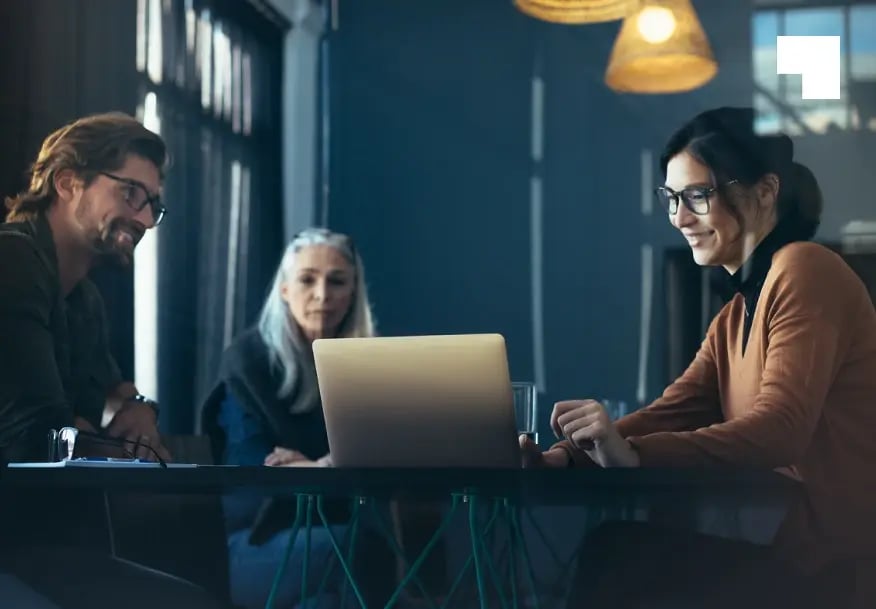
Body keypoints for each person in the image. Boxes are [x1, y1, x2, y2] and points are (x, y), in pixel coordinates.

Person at [521, 107, 876, 609]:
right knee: (617, 551)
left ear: (765, 192)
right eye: (671, 198)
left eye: (698, 195)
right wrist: (567, 456)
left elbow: (780, 429)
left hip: (838, 566)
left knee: (618, 555)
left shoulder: (806, 269)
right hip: (789, 551)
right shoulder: (733, 315)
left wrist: (634, 456)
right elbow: (673, 411)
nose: (679, 218)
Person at [0, 113, 223, 609]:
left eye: (153, 204)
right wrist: (106, 436)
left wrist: (140, 408)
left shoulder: (84, 298)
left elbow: (110, 395)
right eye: (130, 194)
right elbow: (38, 436)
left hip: (41, 541)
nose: (145, 219)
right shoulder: (12, 264)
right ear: (67, 182)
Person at [202, 227, 393, 609]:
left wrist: (317, 466)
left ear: (353, 292)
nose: (322, 295)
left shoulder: (366, 365)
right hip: (254, 545)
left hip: (337, 543)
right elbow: (255, 469)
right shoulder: (247, 359)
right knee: (360, 550)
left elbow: (382, 456)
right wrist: (333, 467)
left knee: (328, 600)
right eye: (307, 280)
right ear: (285, 289)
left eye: (337, 281)